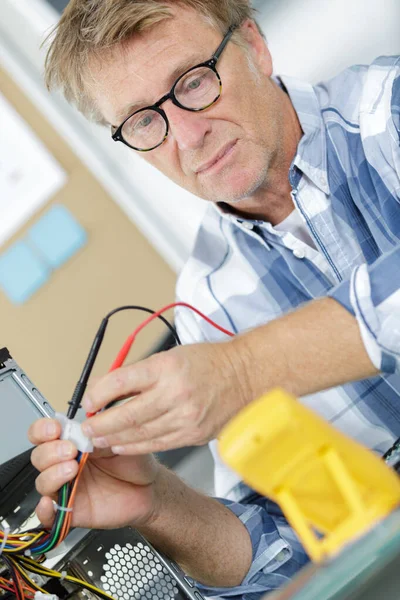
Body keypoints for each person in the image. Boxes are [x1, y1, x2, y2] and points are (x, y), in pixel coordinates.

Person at [29, 0, 400, 597]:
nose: (188, 135)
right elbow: (289, 550)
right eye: (145, 122)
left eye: (193, 82)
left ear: (253, 44)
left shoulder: (389, 111)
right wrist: (155, 505)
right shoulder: (210, 297)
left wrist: (243, 370)